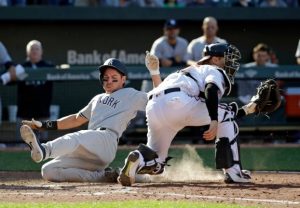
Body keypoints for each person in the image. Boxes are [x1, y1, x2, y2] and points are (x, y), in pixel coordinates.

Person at [118, 43, 256, 186]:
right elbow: (211, 89)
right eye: (226, 58)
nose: (230, 63)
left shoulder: (185, 71)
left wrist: (246, 110)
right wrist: (214, 120)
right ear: (215, 59)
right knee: (226, 115)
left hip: (154, 106)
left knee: (157, 163)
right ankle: (234, 172)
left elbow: (164, 97)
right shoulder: (213, 69)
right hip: (179, 102)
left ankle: (138, 158)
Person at [20, 56, 162, 182]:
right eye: (106, 77)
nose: (109, 80)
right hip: (90, 151)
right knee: (48, 170)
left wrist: (154, 72)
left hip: (107, 140)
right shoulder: (97, 99)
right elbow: (76, 119)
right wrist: (44, 125)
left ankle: (44, 150)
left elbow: (159, 98)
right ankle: (104, 176)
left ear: (123, 79)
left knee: (76, 138)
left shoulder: (131, 94)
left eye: (114, 77)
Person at [15, 40, 55, 141]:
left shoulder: (49, 67)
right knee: (21, 144)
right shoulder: (21, 68)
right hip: (24, 115)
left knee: (44, 147)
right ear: (27, 52)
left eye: (37, 49)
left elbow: (63, 75)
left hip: (43, 114)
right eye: (32, 49)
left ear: (41, 51)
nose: (34, 51)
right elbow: (9, 80)